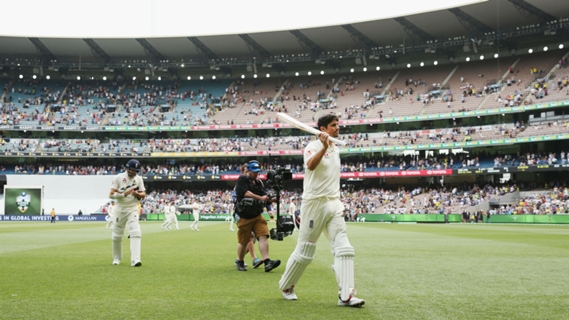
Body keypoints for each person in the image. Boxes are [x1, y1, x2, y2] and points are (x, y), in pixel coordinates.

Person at [279, 114, 364, 307]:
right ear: (323, 129)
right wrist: (324, 146)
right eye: (333, 125)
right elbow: (310, 166)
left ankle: (346, 295)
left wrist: (328, 146)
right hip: (314, 203)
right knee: (306, 250)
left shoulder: (335, 149)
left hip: (334, 203)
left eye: (338, 125)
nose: (337, 128)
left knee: (344, 248)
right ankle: (286, 285)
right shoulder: (313, 146)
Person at [234, 160, 280, 272]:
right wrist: (261, 198)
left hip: (257, 215)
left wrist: (272, 200)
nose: (256, 174)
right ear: (248, 170)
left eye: (257, 172)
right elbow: (245, 193)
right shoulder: (242, 179)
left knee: (263, 235)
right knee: (244, 241)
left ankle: (267, 261)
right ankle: (240, 261)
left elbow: (263, 197)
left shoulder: (259, 183)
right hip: (245, 216)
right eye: (254, 171)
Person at [109, 159, 146, 267]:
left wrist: (137, 194)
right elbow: (111, 194)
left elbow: (143, 193)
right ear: (127, 168)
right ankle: (116, 258)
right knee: (117, 235)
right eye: (132, 170)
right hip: (120, 208)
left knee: (136, 232)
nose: (133, 172)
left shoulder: (138, 179)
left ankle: (135, 259)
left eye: (135, 170)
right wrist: (123, 195)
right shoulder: (118, 178)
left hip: (133, 208)